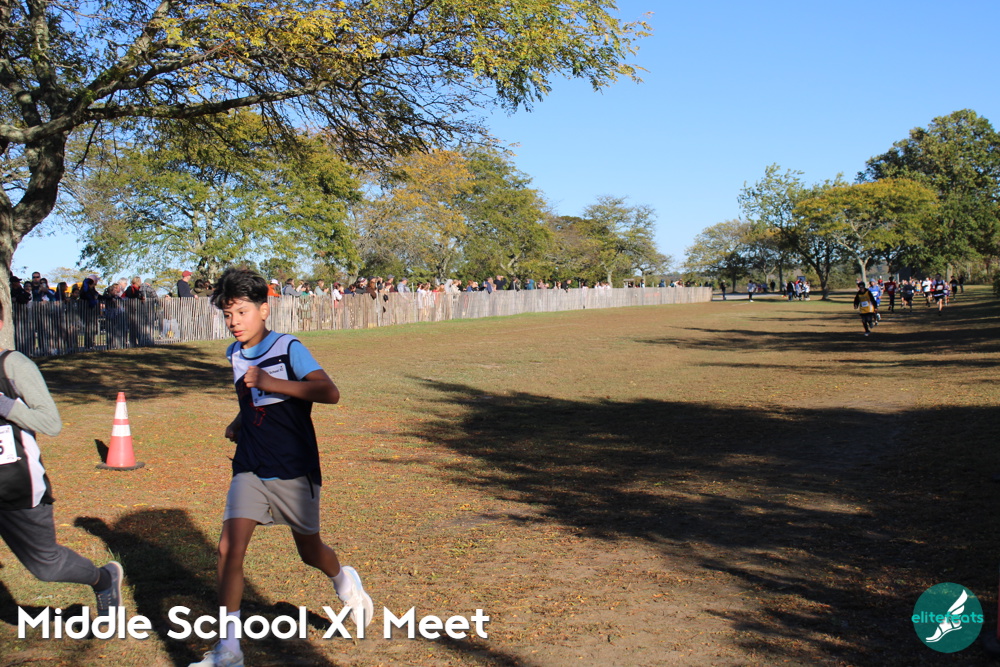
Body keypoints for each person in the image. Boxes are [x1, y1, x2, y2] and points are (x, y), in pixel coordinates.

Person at [193, 267, 372, 667]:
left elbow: (329, 392)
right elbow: (253, 399)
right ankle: (229, 649)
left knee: (309, 551)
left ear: (263, 309)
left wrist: (273, 383)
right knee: (228, 550)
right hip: (251, 466)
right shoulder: (234, 354)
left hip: (294, 467)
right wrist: (240, 421)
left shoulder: (288, 347)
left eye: (241, 312)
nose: (234, 321)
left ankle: (346, 584)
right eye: (227, 314)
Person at [0, 299, 124, 617]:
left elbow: (51, 423)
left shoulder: (13, 366)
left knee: (46, 567)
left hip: (16, 487)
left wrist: (6, 406)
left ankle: (103, 579)